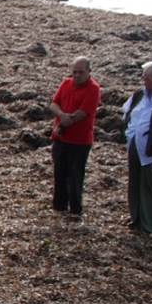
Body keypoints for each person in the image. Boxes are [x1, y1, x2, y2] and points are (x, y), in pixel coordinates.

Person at [46, 56, 102, 219]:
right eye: (74, 72)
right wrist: (61, 115)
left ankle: (75, 210)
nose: (77, 75)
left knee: (75, 176)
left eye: (80, 72)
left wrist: (66, 120)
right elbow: (53, 104)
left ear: (89, 71)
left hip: (79, 141)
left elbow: (83, 113)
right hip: (60, 138)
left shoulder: (93, 89)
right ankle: (59, 207)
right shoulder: (66, 83)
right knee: (59, 174)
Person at [123, 60, 152, 234]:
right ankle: (136, 219)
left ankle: (149, 225)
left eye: (147, 77)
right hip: (135, 144)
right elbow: (128, 112)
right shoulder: (140, 94)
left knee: (150, 184)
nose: (143, 80)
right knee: (135, 181)